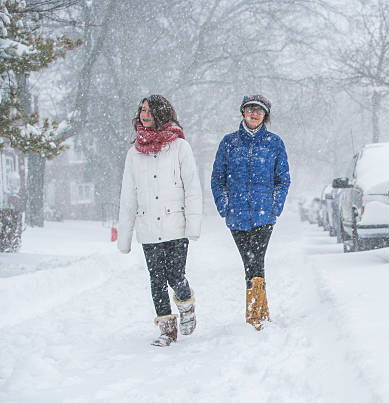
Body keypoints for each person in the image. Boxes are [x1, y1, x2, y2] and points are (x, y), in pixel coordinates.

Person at [117, 95, 202, 347]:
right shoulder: (134, 153)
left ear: (161, 113)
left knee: (175, 276)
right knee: (156, 281)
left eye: (150, 111)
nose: (145, 115)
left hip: (175, 224)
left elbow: (192, 188)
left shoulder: (179, 146)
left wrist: (193, 224)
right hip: (148, 227)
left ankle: (187, 305)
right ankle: (167, 329)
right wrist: (124, 237)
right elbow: (128, 196)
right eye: (142, 109)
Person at [211, 94, 290, 331]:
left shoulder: (274, 143)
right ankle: (261, 313)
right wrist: (224, 207)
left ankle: (255, 315)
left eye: (259, 110)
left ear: (265, 115)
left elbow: (282, 180)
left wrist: (275, 206)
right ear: (243, 112)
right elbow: (217, 179)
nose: (254, 114)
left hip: (264, 214)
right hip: (236, 215)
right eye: (250, 109)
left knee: (255, 261)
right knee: (249, 262)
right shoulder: (229, 143)